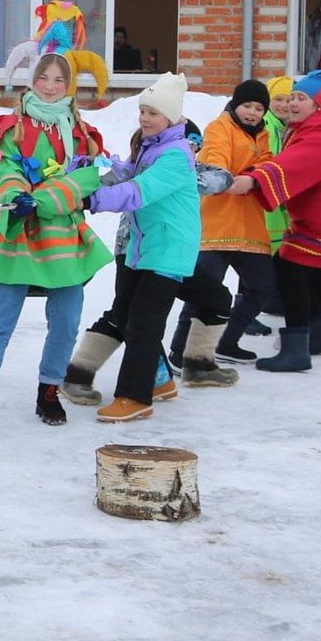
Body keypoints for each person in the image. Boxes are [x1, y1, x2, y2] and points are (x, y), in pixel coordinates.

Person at [0, 21, 111, 438]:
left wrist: (46, 199)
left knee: (65, 320)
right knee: (0, 318)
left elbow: (90, 176)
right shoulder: (10, 127)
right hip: (19, 234)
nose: (49, 86)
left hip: (63, 233)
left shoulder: (83, 133)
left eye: (58, 79)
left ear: (70, 84)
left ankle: (49, 388)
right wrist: (15, 194)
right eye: (43, 78)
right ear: (31, 80)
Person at [62, 74, 219, 422]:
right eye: (143, 111)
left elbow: (138, 191)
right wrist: (95, 166)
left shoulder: (177, 155)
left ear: (172, 117)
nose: (145, 118)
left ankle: (135, 397)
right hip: (144, 246)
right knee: (129, 317)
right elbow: (126, 173)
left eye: (153, 113)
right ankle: (160, 382)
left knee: (146, 323)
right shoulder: (153, 145)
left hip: (168, 250)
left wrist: (92, 199)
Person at [225, 70, 321, 373]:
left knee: (291, 267)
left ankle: (296, 348)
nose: (293, 103)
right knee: (306, 269)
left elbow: (296, 162)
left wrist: (255, 180)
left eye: (301, 98)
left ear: (319, 104)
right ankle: (320, 335)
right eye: (291, 97)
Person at [173, 80, 277, 365]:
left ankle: (226, 341)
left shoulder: (264, 135)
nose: (253, 113)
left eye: (259, 108)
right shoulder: (219, 128)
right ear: (235, 105)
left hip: (250, 229)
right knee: (203, 291)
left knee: (263, 286)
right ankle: (179, 351)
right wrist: (239, 178)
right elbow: (216, 163)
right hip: (216, 226)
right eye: (247, 105)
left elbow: (269, 164)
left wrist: (254, 178)